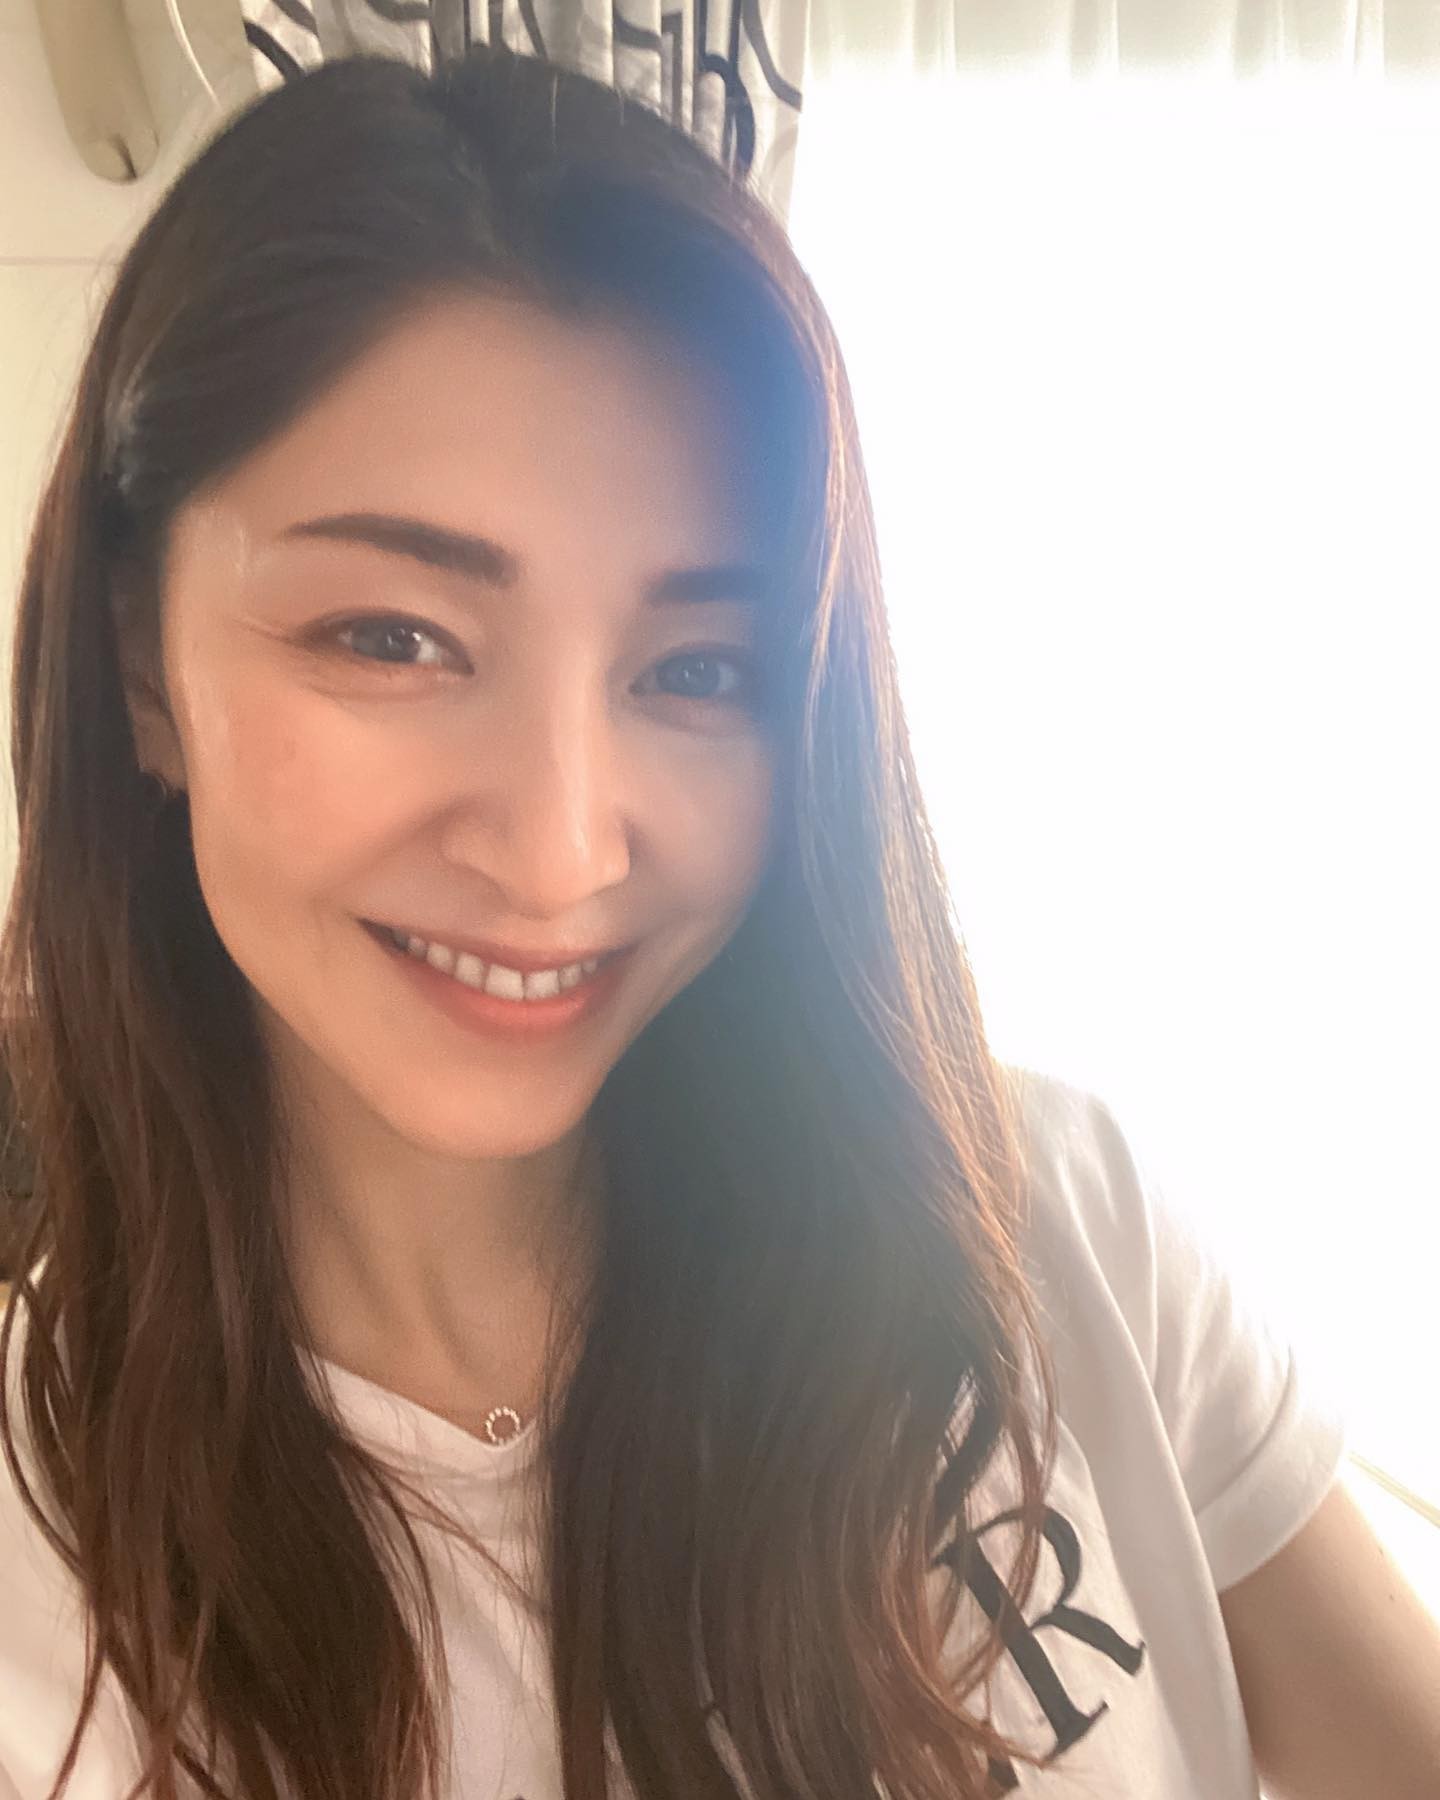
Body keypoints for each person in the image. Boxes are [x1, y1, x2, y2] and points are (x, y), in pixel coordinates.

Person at [0, 43, 1436, 1800]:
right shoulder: (34, 1572)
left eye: (697, 670)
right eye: (391, 638)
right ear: (142, 668)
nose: (558, 852)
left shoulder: (1044, 1221)